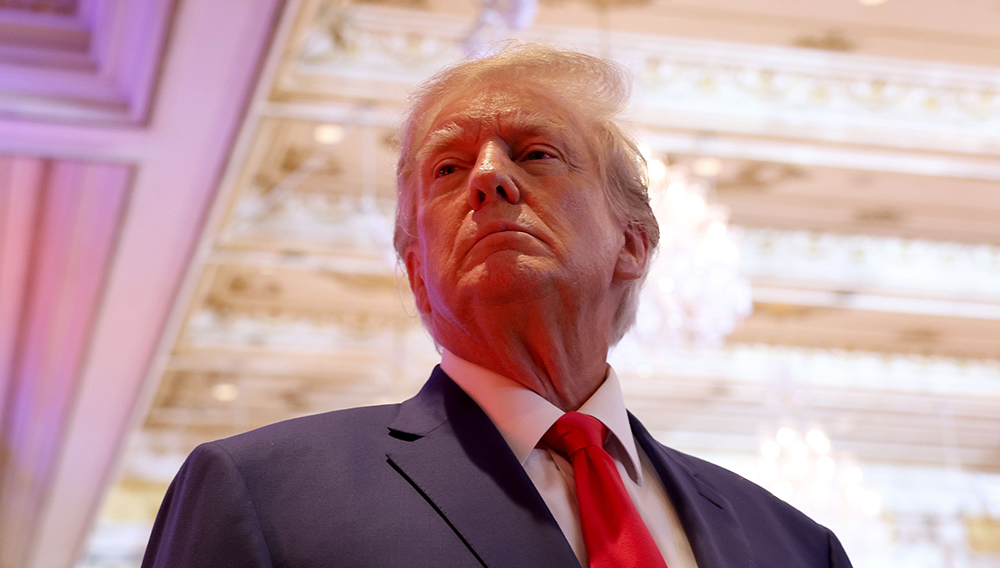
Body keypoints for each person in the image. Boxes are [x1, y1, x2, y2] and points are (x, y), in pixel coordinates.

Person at [142, 43, 853, 568]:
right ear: (417, 271)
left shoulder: (794, 546)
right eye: (448, 168)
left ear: (632, 243)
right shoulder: (265, 494)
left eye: (536, 153)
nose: (489, 179)